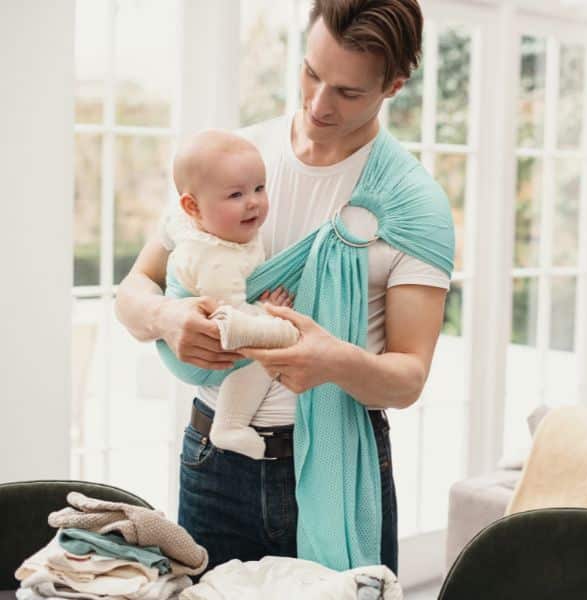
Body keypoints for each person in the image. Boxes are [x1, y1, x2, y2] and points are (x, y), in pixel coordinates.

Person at [116, 0, 450, 575]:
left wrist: (333, 360)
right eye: (312, 73)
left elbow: (408, 378)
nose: (319, 104)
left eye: (348, 92)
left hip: (333, 467)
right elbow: (133, 292)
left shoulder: (411, 205)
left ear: (393, 86)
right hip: (213, 458)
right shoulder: (235, 158)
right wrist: (166, 319)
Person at [163, 129, 299, 460]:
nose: (253, 202)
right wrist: (270, 317)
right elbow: (234, 325)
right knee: (257, 355)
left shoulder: (207, 226)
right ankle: (230, 425)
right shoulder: (215, 259)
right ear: (192, 206)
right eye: (235, 195)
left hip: (201, 329)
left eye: (259, 188)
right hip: (201, 352)